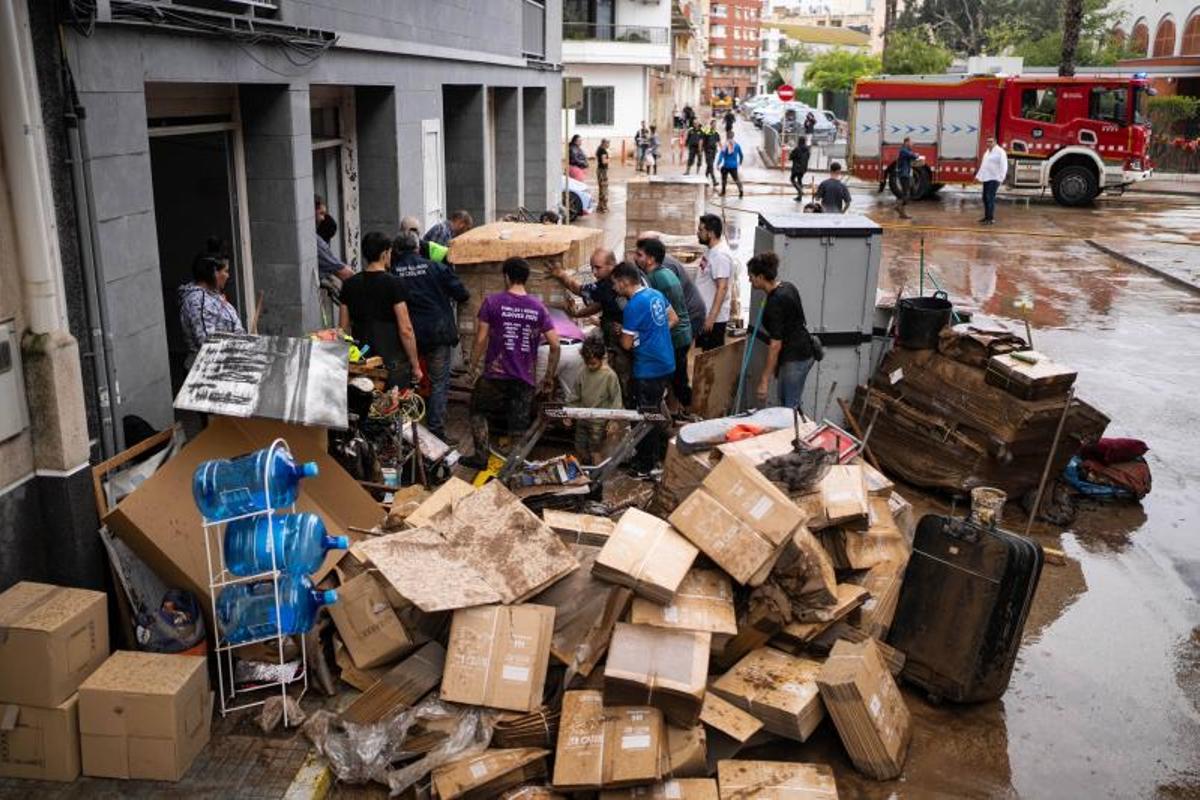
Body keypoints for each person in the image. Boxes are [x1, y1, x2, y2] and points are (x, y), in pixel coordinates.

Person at [464, 257, 560, 469]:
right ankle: (514, 467)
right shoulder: (539, 308)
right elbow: (555, 345)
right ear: (526, 279)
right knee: (518, 426)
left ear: (506, 277)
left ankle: (481, 456)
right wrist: (549, 378)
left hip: (495, 376)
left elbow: (481, 339)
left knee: (477, 410)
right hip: (524, 378)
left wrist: (472, 366)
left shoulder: (492, 302)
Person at [390, 230, 470, 442]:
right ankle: (436, 432)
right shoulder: (435, 267)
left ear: (396, 250)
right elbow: (462, 293)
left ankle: (405, 433)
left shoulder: (393, 273)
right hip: (437, 332)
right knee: (439, 382)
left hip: (406, 336)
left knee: (407, 381)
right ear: (418, 247)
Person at [613, 261, 677, 475]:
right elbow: (673, 319)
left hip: (648, 368)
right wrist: (653, 332)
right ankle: (660, 453)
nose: (614, 288)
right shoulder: (656, 294)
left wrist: (622, 333)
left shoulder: (633, 306)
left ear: (624, 282)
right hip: (666, 362)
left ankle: (645, 465)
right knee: (655, 409)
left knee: (645, 416)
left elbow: (626, 344)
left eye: (615, 283)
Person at [339, 231, 423, 390]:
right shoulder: (395, 284)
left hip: (362, 360)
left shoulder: (349, 285)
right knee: (392, 403)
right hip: (392, 362)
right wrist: (415, 365)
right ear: (385, 254)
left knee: (364, 400)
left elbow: (343, 330)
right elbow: (406, 329)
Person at [549, 247, 630, 399]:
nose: (594, 272)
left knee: (622, 380)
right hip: (624, 336)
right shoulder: (626, 274)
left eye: (598, 268)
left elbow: (579, 290)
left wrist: (561, 275)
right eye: (592, 267)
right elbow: (600, 304)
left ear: (611, 265)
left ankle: (621, 406)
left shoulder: (608, 284)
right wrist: (577, 314)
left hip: (623, 340)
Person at [748, 251, 815, 411]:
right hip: (803, 350)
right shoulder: (787, 286)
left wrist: (764, 380)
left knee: (788, 408)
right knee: (789, 403)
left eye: (751, 276)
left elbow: (775, 345)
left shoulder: (775, 302)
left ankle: (794, 426)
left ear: (761, 277)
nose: (749, 279)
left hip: (796, 357)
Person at [634, 237, 693, 410]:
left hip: (675, 336)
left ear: (651, 259)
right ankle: (677, 411)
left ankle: (688, 410)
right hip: (684, 333)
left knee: (674, 380)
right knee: (677, 377)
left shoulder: (653, 279)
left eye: (639, 255)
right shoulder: (667, 272)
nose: (635, 258)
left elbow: (653, 310)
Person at [178, 243, 244, 368]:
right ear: (214, 272)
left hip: (226, 364)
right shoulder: (198, 301)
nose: (228, 276)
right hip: (209, 369)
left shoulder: (212, 295)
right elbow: (207, 343)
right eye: (225, 271)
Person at [635, 230, 707, 341]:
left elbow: (663, 305)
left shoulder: (662, 269)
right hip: (681, 314)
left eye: (640, 252)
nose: (636, 254)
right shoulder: (657, 267)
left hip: (690, 313)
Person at [567, 335, 624, 465]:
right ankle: (585, 471)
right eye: (587, 363)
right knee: (579, 448)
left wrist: (614, 420)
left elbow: (616, 399)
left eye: (593, 363)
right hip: (582, 418)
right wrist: (569, 412)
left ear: (602, 358)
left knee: (595, 451)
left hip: (599, 422)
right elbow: (575, 395)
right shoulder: (582, 372)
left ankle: (598, 474)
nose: (590, 366)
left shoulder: (609, 375)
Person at [695, 213, 734, 351]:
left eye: (701, 230)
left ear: (710, 233)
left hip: (714, 320)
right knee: (704, 354)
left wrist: (711, 318)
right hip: (706, 315)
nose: (698, 233)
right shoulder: (712, 250)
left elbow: (722, 288)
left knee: (711, 357)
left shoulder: (720, 256)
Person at [315, 195, 354, 282]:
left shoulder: (318, 242)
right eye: (321, 213)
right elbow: (346, 273)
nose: (323, 218)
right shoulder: (316, 243)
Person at [976, 135, 1007, 225]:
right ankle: (986, 217)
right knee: (985, 197)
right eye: (987, 141)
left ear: (995, 142)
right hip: (987, 177)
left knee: (990, 197)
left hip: (995, 178)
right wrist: (978, 176)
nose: (989, 143)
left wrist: (1001, 178)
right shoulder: (987, 152)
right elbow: (983, 165)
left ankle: (990, 219)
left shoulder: (1000, 152)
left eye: (991, 141)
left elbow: (1004, 165)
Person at [895, 136, 919, 218]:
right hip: (904, 175)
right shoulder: (903, 150)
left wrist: (914, 154)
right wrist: (916, 155)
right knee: (906, 193)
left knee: (911, 191)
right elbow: (913, 156)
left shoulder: (907, 150)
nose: (912, 144)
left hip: (907, 174)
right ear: (906, 142)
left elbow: (912, 156)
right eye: (911, 142)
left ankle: (900, 208)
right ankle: (900, 209)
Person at [717, 133, 744, 198]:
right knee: (736, 179)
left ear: (727, 136)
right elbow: (741, 155)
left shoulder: (725, 146)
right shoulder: (737, 145)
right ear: (733, 136)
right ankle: (741, 190)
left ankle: (723, 192)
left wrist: (718, 163)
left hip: (726, 165)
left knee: (724, 179)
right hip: (734, 166)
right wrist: (740, 163)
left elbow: (721, 155)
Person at [789, 137, 811, 202]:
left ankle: (800, 191)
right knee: (799, 180)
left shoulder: (797, 149)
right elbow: (808, 158)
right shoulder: (807, 150)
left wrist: (791, 154)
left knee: (792, 179)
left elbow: (790, 157)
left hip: (796, 168)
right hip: (803, 168)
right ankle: (799, 197)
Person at [702, 121, 721, 188]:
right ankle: (714, 181)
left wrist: (723, 150)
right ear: (711, 125)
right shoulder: (707, 132)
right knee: (710, 166)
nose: (714, 126)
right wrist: (701, 149)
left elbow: (719, 142)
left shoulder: (716, 133)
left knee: (709, 166)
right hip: (708, 151)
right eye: (713, 124)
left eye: (715, 125)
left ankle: (705, 180)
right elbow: (702, 141)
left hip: (714, 152)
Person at [595, 138, 611, 213]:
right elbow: (604, 161)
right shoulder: (603, 151)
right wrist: (609, 159)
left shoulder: (599, 149)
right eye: (608, 143)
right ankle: (603, 207)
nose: (609, 145)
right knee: (604, 189)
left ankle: (600, 207)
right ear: (604, 143)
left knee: (601, 189)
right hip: (602, 171)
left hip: (600, 170)